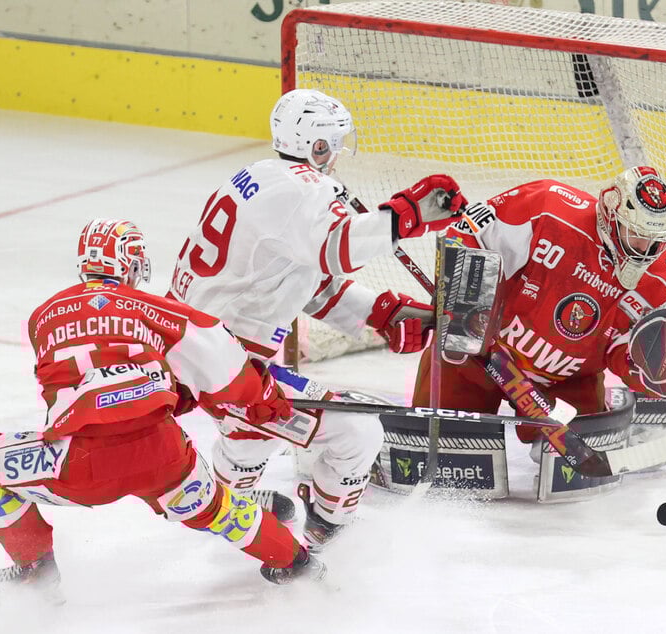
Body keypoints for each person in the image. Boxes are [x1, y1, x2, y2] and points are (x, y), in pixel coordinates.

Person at [0, 219, 323, 607]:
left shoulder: (42, 317)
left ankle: (35, 571)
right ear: (132, 264)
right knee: (218, 509)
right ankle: (298, 564)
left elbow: (88, 380)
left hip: (79, 463)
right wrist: (260, 394)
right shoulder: (157, 308)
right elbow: (223, 360)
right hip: (162, 453)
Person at [166, 88, 467, 549]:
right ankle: (324, 533)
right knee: (358, 432)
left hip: (193, 347)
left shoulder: (260, 176)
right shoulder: (304, 189)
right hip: (228, 365)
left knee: (253, 433)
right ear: (316, 146)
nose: (339, 153)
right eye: (334, 143)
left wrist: (379, 312)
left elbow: (301, 279)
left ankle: (225, 504)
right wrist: (407, 214)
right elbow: (340, 249)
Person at [412, 166, 666, 445]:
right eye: (635, 233)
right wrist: (466, 305)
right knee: (441, 443)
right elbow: (468, 233)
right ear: (610, 213)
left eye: (655, 238)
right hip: (480, 359)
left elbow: (632, 357)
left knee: (573, 465)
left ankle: (619, 409)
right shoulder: (547, 209)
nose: (645, 249)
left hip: (567, 382)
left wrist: (651, 370)